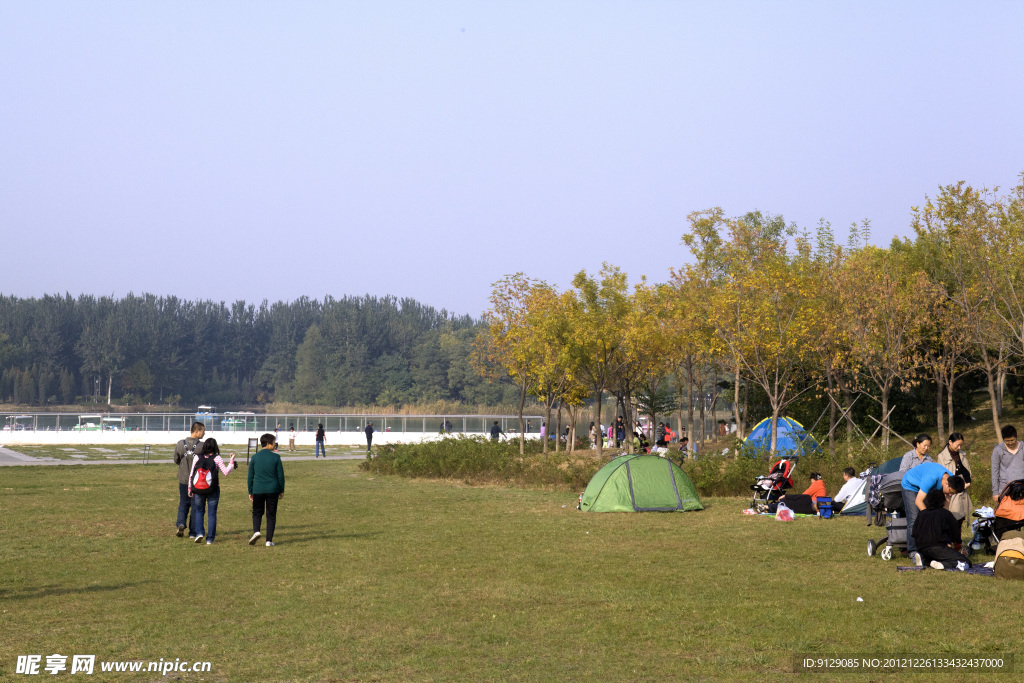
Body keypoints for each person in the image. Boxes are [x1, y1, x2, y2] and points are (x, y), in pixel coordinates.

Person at [901, 461, 967, 566]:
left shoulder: (952, 480)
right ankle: (913, 551)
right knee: (915, 519)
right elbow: (918, 501)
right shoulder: (931, 478)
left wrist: (946, 537)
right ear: (946, 484)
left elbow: (945, 510)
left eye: (952, 494)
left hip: (926, 486)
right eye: (950, 492)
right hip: (910, 485)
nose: (950, 494)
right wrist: (929, 519)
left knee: (938, 517)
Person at [188, 438, 237, 544]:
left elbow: (192, 473)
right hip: (213, 489)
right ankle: (210, 539)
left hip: (198, 489)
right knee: (212, 514)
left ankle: (199, 533)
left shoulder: (197, 457)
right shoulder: (217, 458)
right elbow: (226, 472)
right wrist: (231, 461)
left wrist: (190, 488)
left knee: (199, 511)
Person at [913, 489, 971, 570]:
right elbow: (955, 533)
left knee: (936, 556)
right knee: (964, 561)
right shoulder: (945, 514)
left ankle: (925, 560)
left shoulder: (921, 514)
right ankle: (943, 565)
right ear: (942, 501)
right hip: (938, 547)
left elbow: (914, 533)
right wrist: (954, 542)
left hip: (921, 548)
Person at [936, 432, 972, 550]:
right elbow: (942, 475)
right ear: (950, 442)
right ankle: (947, 543)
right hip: (951, 490)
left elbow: (967, 470)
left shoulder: (962, 455)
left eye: (961, 445)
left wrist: (967, 482)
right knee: (951, 518)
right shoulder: (941, 456)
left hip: (962, 489)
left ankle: (957, 544)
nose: (959, 448)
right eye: (957, 445)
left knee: (960, 519)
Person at [248, 433, 285, 547]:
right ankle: (269, 540)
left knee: (257, 512)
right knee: (271, 514)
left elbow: (250, 476)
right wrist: (281, 489)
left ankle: (257, 531)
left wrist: (250, 491)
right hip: (272, 489)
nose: (275, 445)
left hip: (258, 489)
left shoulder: (254, 457)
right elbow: (280, 476)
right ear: (268, 443)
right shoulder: (276, 457)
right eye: (273, 442)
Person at [173, 421, 205, 538]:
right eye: (203, 431)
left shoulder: (180, 444)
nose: (204, 433)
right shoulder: (202, 446)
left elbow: (176, 459)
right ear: (196, 431)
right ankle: (193, 532)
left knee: (183, 503)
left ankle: (181, 523)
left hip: (183, 479)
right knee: (196, 506)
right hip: (197, 481)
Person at [991, 425, 1024, 503]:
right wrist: (995, 492)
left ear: (1017, 436)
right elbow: (994, 471)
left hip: (1022, 486)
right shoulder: (998, 450)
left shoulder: (1023, 448)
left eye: (1012, 440)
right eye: (1007, 441)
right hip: (1005, 487)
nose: (1010, 443)